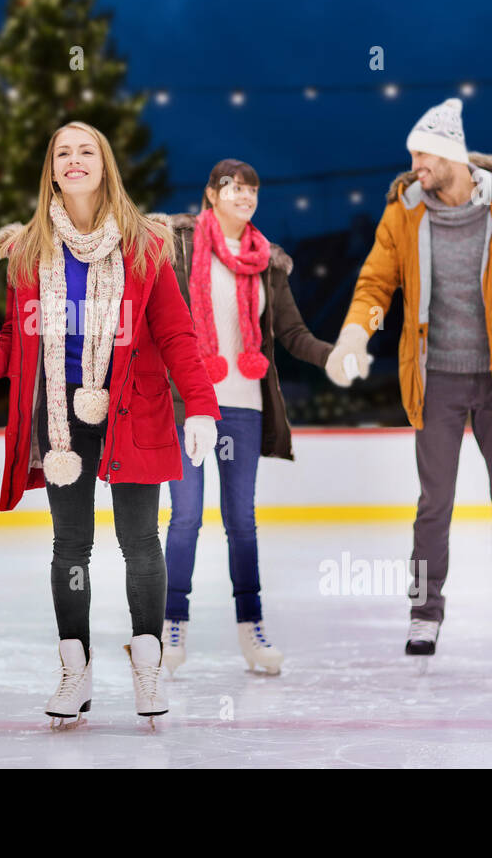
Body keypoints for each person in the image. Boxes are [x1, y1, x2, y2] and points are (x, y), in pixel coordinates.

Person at [325, 98, 492, 667]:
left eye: (422, 153)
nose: (414, 163)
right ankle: (424, 614)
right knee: (433, 505)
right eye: (412, 154)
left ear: (449, 154)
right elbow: (375, 287)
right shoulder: (404, 213)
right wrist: (353, 336)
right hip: (436, 379)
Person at [0, 121, 220, 725]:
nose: (73, 160)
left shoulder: (144, 245)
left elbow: (175, 332)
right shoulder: (31, 250)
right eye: (62, 153)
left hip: (132, 412)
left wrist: (200, 404)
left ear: (105, 164)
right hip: (61, 420)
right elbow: (17, 336)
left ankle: (148, 669)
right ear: (51, 172)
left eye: (85, 150)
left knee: (140, 542)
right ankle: (76, 671)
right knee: (71, 545)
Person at [149, 160, 332, 675]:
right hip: (189, 405)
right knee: (184, 517)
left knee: (241, 522)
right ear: (211, 194)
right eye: (232, 187)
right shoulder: (180, 247)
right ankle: (172, 624)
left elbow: (293, 334)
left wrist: (331, 356)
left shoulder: (268, 263)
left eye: (252, 187)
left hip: (244, 407)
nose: (244, 194)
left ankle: (251, 628)